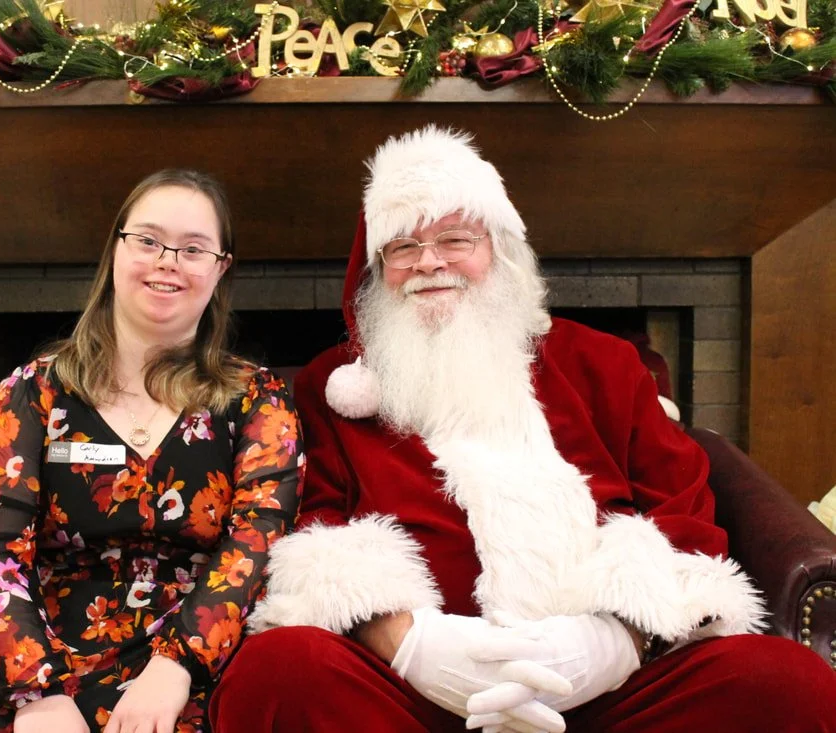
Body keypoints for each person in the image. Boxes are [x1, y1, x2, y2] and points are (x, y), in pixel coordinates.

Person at [209, 127, 836, 733]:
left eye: (456, 238)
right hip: (411, 699)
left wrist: (613, 643)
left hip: (612, 694)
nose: (430, 263)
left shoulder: (604, 365)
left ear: (499, 252)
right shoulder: (333, 387)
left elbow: (684, 511)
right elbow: (312, 529)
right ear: (378, 270)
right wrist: (418, 647)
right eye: (401, 247)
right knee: (277, 673)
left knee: (785, 682)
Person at [0, 169, 304, 733]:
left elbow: (258, 540)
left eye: (193, 249)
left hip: (195, 663)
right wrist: (36, 692)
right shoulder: (32, 390)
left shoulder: (256, 398)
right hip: (39, 658)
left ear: (220, 269)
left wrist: (177, 665)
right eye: (148, 240)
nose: (168, 260)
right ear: (116, 248)